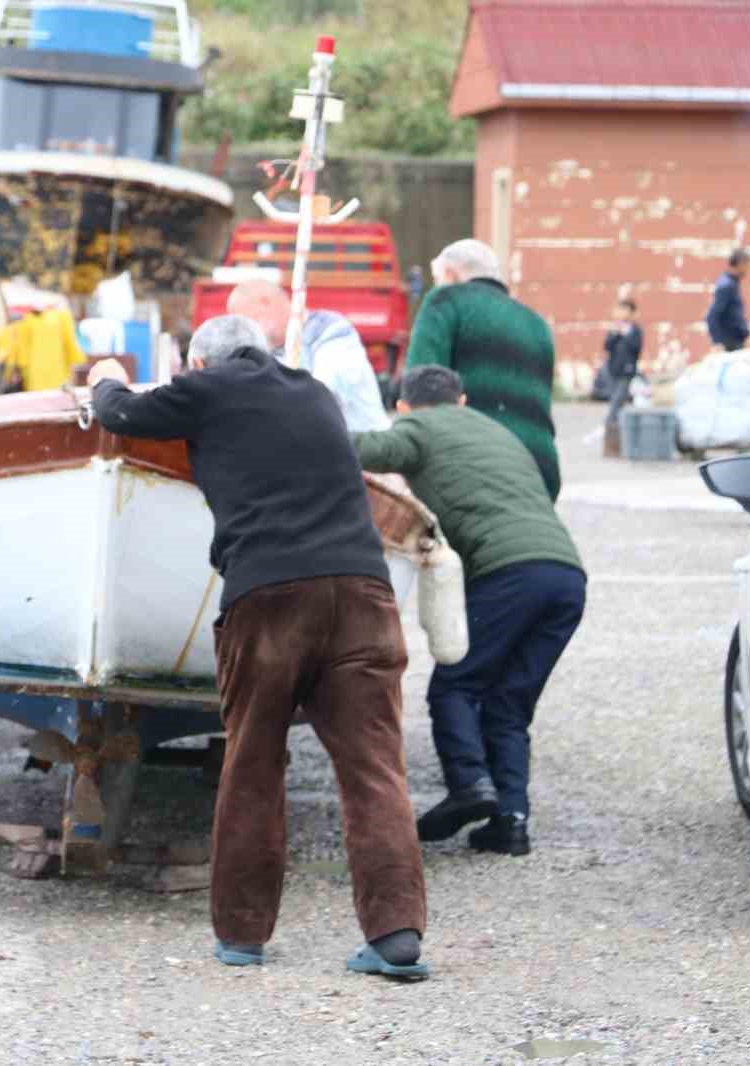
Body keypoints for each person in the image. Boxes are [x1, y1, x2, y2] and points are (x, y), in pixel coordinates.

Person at [87, 315, 429, 979]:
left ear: (201, 361)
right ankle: (396, 937)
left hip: (269, 597)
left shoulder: (209, 388)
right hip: (364, 593)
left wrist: (105, 379)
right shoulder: (314, 393)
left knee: (253, 762)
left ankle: (243, 935)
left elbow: (121, 413)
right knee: (374, 769)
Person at [351, 366, 587, 857]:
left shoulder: (415, 428)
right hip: (566, 576)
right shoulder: (493, 429)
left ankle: (470, 785)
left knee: (455, 685)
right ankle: (510, 821)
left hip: (509, 573)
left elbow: (357, 451)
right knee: (509, 704)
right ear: (461, 400)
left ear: (402, 406)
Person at [405, 239, 560, 501]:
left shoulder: (446, 300)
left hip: (475, 466)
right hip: (539, 468)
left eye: (438, 278)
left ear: (451, 275)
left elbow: (423, 386)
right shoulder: (537, 324)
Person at [226, 278, 391, 432]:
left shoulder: (331, 329)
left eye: (248, 321)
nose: (246, 331)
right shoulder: (263, 352)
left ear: (265, 303)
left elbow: (323, 393)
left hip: (368, 450)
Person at [602, 297, 643, 453]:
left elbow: (636, 348)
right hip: (613, 370)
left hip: (627, 372)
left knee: (615, 405)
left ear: (632, 313)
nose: (620, 313)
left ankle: (610, 439)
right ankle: (618, 439)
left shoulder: (635, 330)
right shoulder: (615, 329)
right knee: (616, 402)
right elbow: (607, 346)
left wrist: (626, 334)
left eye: (624, 310)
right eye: (619, 309)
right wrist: (615, 334)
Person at [706, 249, 750, 352]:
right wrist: (717, 342)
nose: (748, 270)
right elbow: (712, 316)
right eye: (747, 265)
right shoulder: (726, 286)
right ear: (741, 264)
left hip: (735, 344)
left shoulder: (733, 284)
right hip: (728, 346)